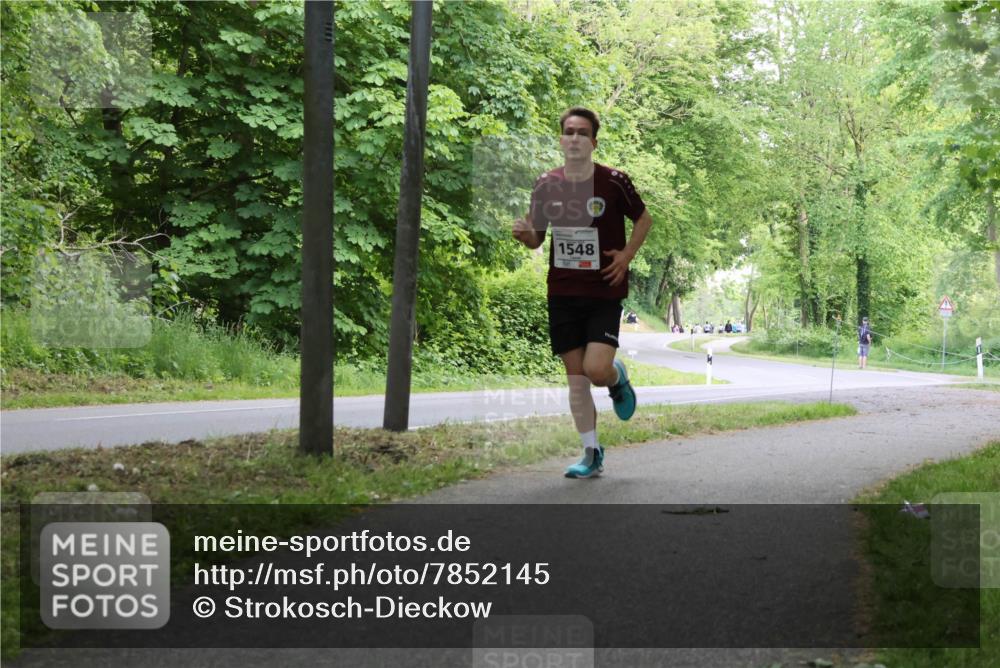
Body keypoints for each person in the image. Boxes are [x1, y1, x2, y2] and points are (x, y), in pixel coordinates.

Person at [512, 107, 653, 479]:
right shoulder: (546, 183)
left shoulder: (614, 181)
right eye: (568, 132)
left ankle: (616, 377)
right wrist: (526, 235)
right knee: (576, 378)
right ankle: (591, 453)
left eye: (582, 133)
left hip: (604, 288)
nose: (574, 138)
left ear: (593, 141)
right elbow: (537, 236)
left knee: (595, 370)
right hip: (562, 290)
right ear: (561, 139)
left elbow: (643, 218)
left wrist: (626, 255)